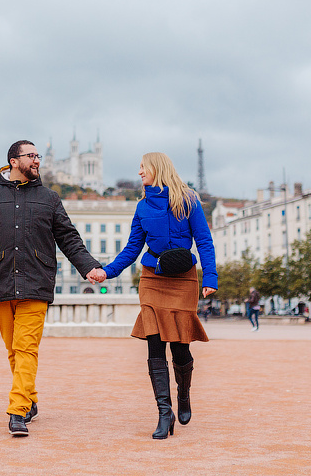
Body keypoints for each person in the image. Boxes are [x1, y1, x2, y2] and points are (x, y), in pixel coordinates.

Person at [0, 140, 104, 437]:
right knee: (13, 350)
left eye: (38, 155)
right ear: (14, 161)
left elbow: (69, 238)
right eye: (31, 156)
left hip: (37, 283)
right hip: (1, 282)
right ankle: (31, 399)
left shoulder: (50, 198)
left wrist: (89, 266)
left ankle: (17, 411)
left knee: (25, 348)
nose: (37, 160)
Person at [93, 152, 217, 439]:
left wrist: (210, 276)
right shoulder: (142, 206)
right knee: (154, 344)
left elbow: (204, 240)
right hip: (153, 278)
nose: (139, 172)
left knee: (180, 345)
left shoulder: (188, 200)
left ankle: (183, 394)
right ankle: (164, 411)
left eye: (142, 168)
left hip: (183, 278)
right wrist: (107, 272)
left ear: (156, 169)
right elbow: (132, 249)